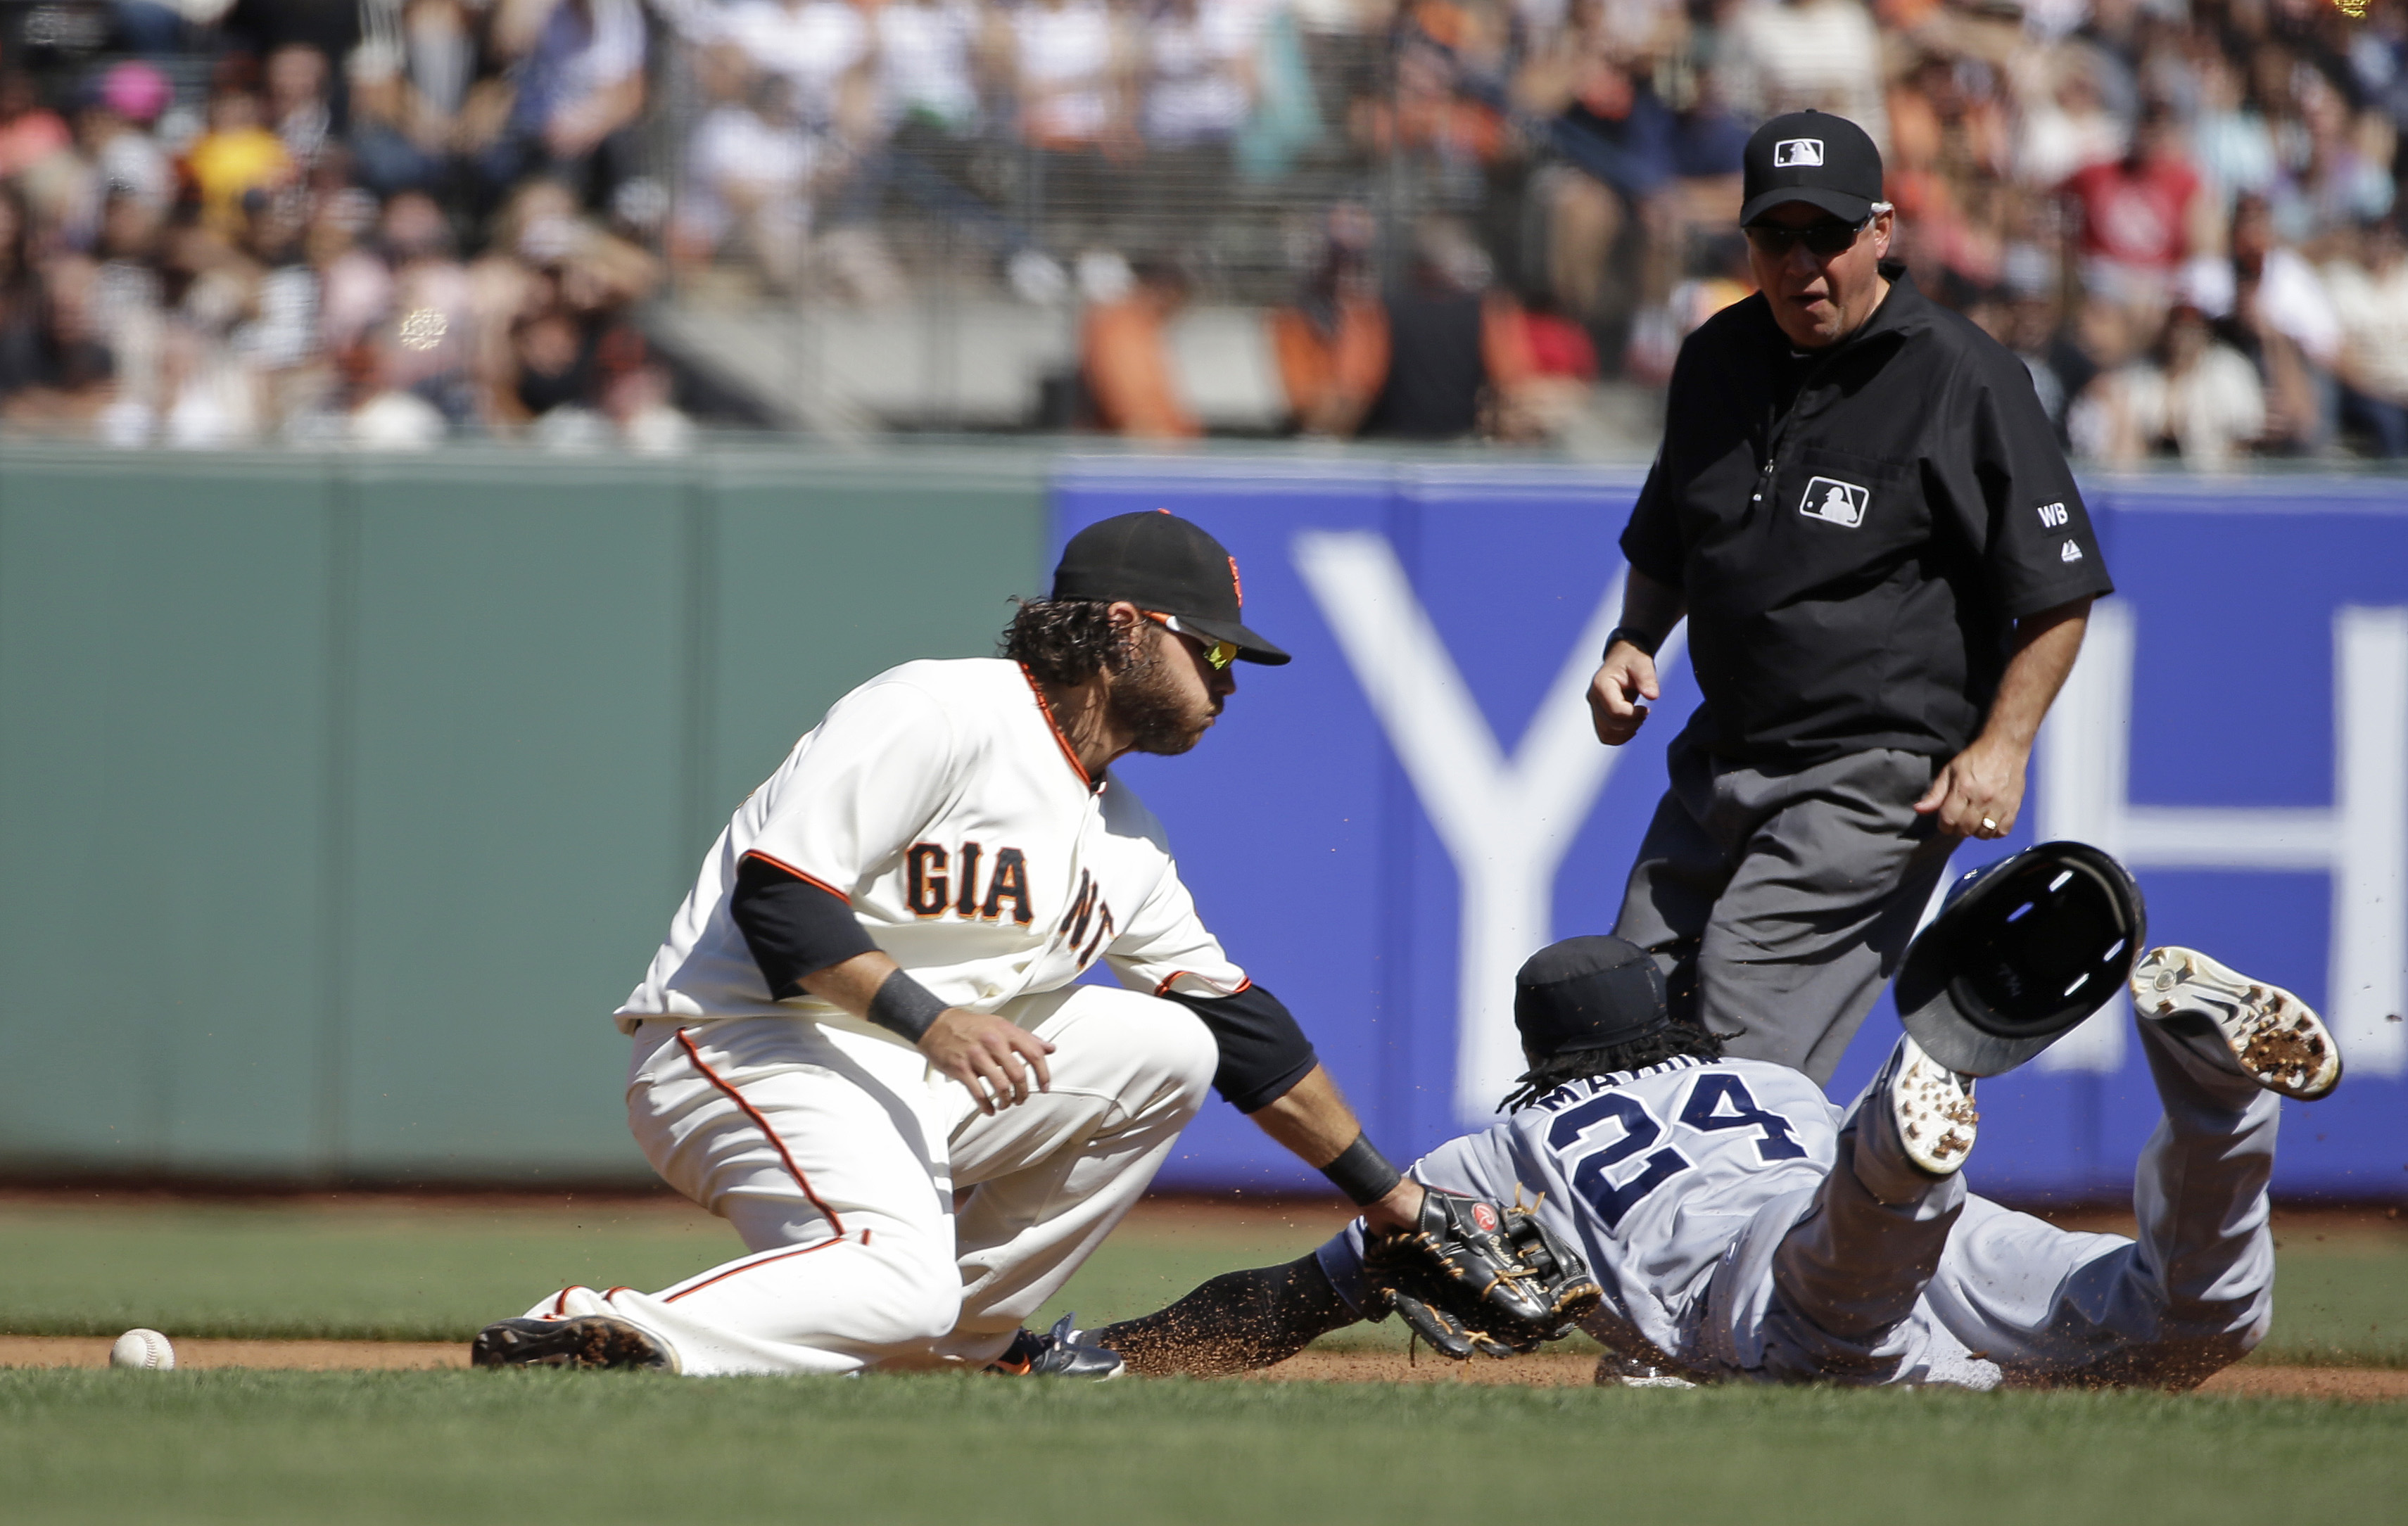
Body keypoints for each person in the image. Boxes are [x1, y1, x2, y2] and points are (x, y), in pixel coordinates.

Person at [471, 511, 1428, 1378]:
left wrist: (1393, 1199)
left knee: (1177, 1046)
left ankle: (954, 1347)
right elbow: (777, 900)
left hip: (906, 1071)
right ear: (1128, 627)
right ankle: (596, 1327)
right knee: (897, 1276)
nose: (1226, 683)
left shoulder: (1128, 832)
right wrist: (931, 1022)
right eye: (1211, 652)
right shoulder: (943, 711)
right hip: (747, 1040)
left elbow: (1240, 1024)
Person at [1098, 865, 2343, 1390]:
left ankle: (1898, 1149)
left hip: (1751, 1280)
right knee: (2185, 1327)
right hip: (1871, 1198)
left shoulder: (1482, 1157)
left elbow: (1291, 1300)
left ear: (1541, 1052)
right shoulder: (1758, 1077)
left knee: (1849, 1332)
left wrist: (1115, 1350)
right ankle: (2213, 1097)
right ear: (1657, 1019)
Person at [1585, 110, 2113, 1085]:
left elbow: (2058, 588)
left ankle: (1789, 1230)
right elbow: (1667, 536)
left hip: (1864, 776)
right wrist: (1632, 639)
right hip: (1720, 760)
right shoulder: (1714, 360)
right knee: (1609, 1022)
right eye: (1773, 236)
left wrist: (2001, 749)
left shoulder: (1962, 374)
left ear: (1879, 229)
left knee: (1729, 1071)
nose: (1800, 263)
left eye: (1824, 234)